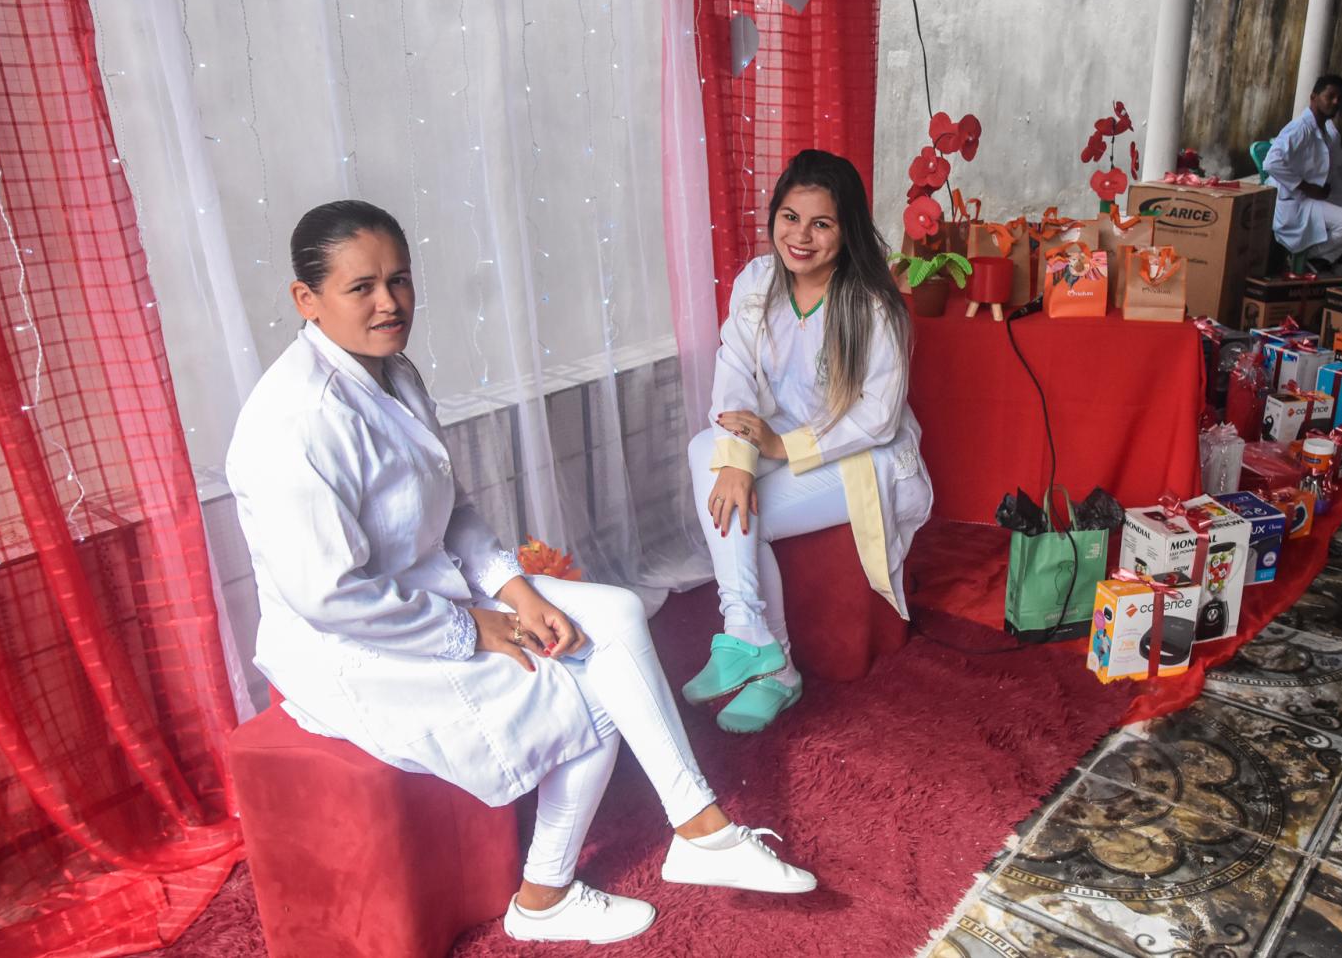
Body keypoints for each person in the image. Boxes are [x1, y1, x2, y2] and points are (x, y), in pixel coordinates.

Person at [226, 201, 816, 948]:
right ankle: (545, 897)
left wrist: (515, 591)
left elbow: (453, 509)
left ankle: (698, 830)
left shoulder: (392, 371)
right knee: (588, 687)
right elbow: (330, 596)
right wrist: (471, 624)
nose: (389, 304)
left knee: (615, 614)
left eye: (400, 281)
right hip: (353, 642)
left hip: (431, 583)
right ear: (305, 300)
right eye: (362, 288)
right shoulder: (296, 421)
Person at [686, 149, 932, 733]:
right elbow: (733, 374)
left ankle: (775, 669)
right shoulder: (756, 282)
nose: (801, 236)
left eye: (821, 223)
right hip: (775, 439)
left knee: (753, 516)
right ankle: (747, 630)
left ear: (845, 232)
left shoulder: (873, 305)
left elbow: (877, 416)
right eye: (790, 217)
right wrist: (741, 458)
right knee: (706, 452)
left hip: (863, 461)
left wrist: (779, 448)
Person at [1265, 74, 1342, 276]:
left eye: (1339, 98)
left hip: (1314, 196)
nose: (1335, 102)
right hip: (1296, 201)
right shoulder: (1301, 128)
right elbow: (1271, 162)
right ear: (1313, 97)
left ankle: (1333, 258)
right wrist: (1306, 187)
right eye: (1330, 96)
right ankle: (1313, 257)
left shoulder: (1324, 130)